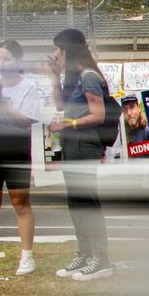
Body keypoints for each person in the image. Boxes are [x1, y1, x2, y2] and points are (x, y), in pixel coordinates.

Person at [48, 28, 116, 281]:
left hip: (86, 143)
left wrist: (68, 125)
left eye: (58, 49)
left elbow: (98, 115)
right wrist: (55, 77)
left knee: (87, 201)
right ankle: (85, 253)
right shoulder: (74, 78)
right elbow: (61, 106)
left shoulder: (89, 76)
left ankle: (101, 259)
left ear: (68, 50)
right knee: (76, 202)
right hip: (72, 144)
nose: (55, 54)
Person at [0, 41, 41, 278]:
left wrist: (4, 105)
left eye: (7, 59)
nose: (2, 64)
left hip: (16, 151)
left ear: (18, 62)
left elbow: (28, 119)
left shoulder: (29, 87)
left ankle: (27, 257)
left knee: (21, 204)